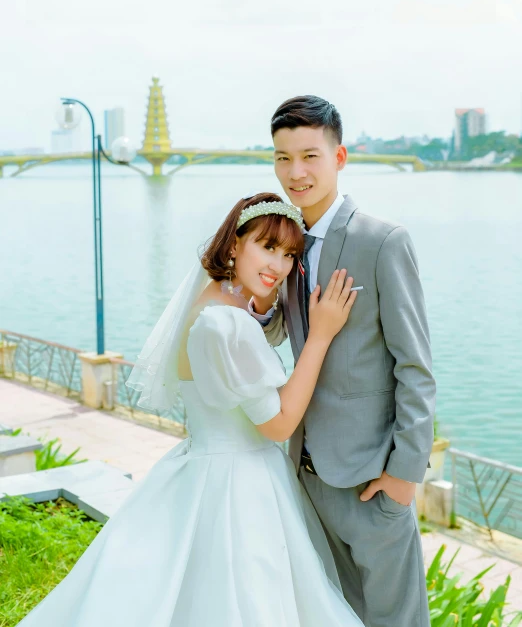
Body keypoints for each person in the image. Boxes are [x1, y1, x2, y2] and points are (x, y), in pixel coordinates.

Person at [15, 192, 364, 627]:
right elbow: (279, 424)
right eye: (268, 247)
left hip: (208, 464)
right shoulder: (226, 324)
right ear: (235, 245)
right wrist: (322, 335)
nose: (279, 265)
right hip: (240, 480)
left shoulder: (221, 302)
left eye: (290, 254)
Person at [251, 97, 437, 627]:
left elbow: (415, 368)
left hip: (370, 479)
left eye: (310, 155)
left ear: (340, 157)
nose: (296, 172)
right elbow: (283, 332)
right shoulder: (284, 243)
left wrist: (404, 477)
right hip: (304, 475)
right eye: (282, 158)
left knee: (395, 620)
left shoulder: (382, 241)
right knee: (330, 615)